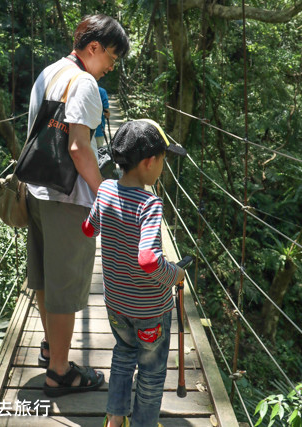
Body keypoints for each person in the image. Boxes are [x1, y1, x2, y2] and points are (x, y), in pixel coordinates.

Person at [25, 14, 129, 397]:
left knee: (43, 278)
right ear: (93, 48)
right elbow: (78, 147)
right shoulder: (84, 82)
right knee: (65, 286)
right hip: (68, 199)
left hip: (37, 190)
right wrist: (105, 192)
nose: (111, 68)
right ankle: (60, 372)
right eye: (112, 58)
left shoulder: (49, 71)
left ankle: (51, 348)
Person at [82, 119, 187, 427]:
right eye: (163, 161)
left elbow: (88, 228)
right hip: (150, 311)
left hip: (116, 305)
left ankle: (114, 419)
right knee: (152, 373)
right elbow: (148, 260)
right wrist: (175, 275)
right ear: (149, 162)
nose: (162, 168)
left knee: (124, 355)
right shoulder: (150, 204)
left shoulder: (105, 191)